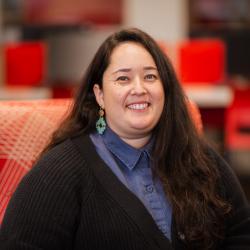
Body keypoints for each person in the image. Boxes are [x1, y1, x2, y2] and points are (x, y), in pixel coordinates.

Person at [0, 28, 250, 250]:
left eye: (150, 77)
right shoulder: (58, 173)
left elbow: (241, 232)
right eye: (123, 78)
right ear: (99, 95)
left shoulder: (198, 158)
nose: (139, 88)